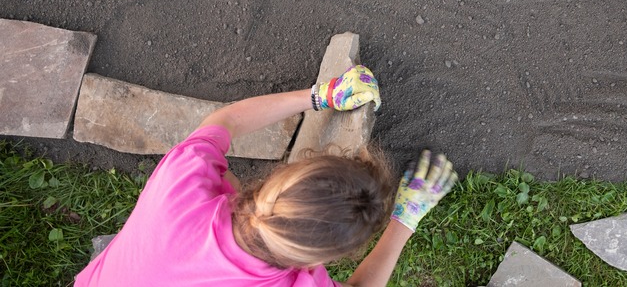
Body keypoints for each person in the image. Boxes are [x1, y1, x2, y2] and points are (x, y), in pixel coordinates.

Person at [74, 65, 458, 286]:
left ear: (283, 178)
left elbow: (224, 120)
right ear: (313, 264)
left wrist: (320, 95)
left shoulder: (182, 183)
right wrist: (405, 220)